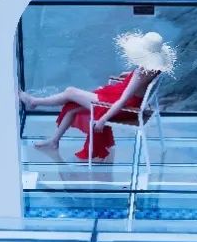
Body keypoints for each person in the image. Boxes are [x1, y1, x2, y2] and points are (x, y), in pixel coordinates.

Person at [19, 30, 176, 161]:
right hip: (129, 100)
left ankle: (34, 101)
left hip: (123, 107)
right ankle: (54, 141)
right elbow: (140, 82)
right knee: (73, 105)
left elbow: (123, 100)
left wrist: (103, 119)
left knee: (70, 92)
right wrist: (129, 75)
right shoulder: (153, 67)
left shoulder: (142, 73)